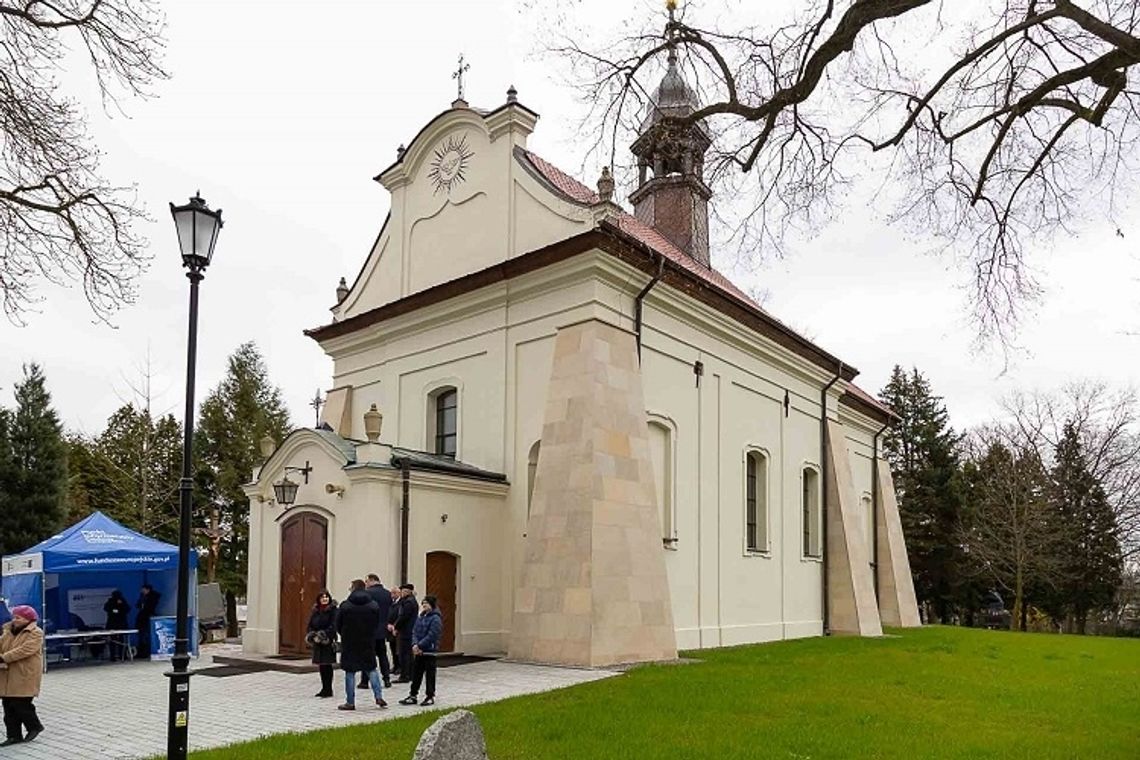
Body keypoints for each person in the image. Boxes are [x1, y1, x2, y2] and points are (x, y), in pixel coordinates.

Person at [334, 579, 386, 711]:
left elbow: (338, 624)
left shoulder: (345, 605)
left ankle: (350, 702)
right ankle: (378, 696)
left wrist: (345, 634)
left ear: (353, 588)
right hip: (367, 641)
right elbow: (376, 622)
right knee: (371, 669)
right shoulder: (373, 605)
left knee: (350, 672)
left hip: (350, 642)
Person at [0, 606, 45, 746]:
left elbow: (25, 650)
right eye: (14, 617)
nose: (15, 620)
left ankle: (34, 726)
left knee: (21, 704)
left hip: (25, 674)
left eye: (18, 617)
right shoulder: (7, 631)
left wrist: (3, 658)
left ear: (28, 619)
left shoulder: (36, 633)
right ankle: (14, 736)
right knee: (8, 707)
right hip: (8, 674)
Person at [398, 595, 443, 707]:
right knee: (416, 674)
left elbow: (432, 635)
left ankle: (430, 695)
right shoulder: (421, 617)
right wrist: (414, 644)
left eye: (426, 603)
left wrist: (420, 645)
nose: (424, 606)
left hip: (429, 651)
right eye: (423, 604)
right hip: (418, 651)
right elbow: (415, 631)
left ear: (432, 605)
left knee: (430, 675)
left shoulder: (436, 619)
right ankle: (413, 695)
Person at [360, 574, 393, 689]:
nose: (366, 584)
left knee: (368, 655)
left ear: (372, 580)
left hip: (369, 630)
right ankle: (387, 678)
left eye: (366, 581)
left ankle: (364, 681)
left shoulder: (368, 593)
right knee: (383, 655)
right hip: (382, 630)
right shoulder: (387, 594)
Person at [306, 589, 338, 698]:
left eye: (326, 597)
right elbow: (310, 625)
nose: (325, 599)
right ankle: (324, 688)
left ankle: (328, 689)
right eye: (322, 597)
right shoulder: (315, 610)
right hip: (317, 642)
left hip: (327, 641)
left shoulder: (333, 610)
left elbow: (333, 626)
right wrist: (313, 635)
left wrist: (322, 635)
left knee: (327, 664)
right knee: (321, 665)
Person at [391, 583, 418, 684]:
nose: (402, 593)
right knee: (407, 653)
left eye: (403, 591)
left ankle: (405, 675)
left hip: (406, 631)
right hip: (408, 630)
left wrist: (396, 627)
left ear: (408, 592)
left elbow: (403, 617)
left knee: (404, 653)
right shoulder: (409, 601)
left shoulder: (408, 603)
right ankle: (409, 674)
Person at [103, 590, 131, 661]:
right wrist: (114, 610)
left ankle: (123, 655)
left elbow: (127, 609)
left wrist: (121, 604)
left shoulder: (123, 601)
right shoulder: (110, 601)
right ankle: (113, 656)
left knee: (121, 641)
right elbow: (106, 608)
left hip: (121, 624)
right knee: (113, 640)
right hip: (112, 624)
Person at [135, 583, 160, 659]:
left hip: (147, 617)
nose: (142, 591)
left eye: (144, 590)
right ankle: (142, 652)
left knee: (146, 636)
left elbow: (150, 606)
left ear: (147, 589)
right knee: (142, 636)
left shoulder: (153, 597)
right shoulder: (142, 597)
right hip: (142, 618)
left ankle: (146, 652)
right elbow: (138, 605)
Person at [386, 588, 401, 678]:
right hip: (389, 628)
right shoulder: (391, 603)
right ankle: (395, 665)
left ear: (398, 593)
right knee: (392, 648)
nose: (392, 595)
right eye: (391, 593)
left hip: (397, 629)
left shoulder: (400, 603)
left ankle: (399, 666)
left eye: (394, 593)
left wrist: (395, 626)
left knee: (397, 649)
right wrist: (387, 624)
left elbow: (400, 616)